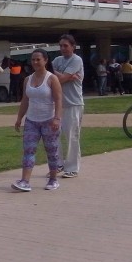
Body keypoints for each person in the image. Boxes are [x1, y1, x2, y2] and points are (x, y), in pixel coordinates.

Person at [12, 49, 63, 192]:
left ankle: (53, 179)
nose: (35, 62)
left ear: (45, 60)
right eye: (33, 59)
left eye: (38, 59)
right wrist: (19, 118)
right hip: (31, 121)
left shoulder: (52, 78)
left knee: (51, 151)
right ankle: (25, 181)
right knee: (28, 150)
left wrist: (57, 118)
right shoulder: (28, 79)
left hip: (49, 120)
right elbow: (25, 100)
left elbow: (59, 100)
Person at [52, 33, 84, 178]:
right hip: (58, 104)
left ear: (73, 46)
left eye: (66, 46)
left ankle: (72, 168)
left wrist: (65, 77)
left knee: (71, 136)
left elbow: (61, 79)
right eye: (61, 46)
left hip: (73, 103)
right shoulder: (57, 60)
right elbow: (51, 77)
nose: (63, 48)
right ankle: (58, 164)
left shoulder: (76, 60)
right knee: (54, 135)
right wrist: (66, 76)